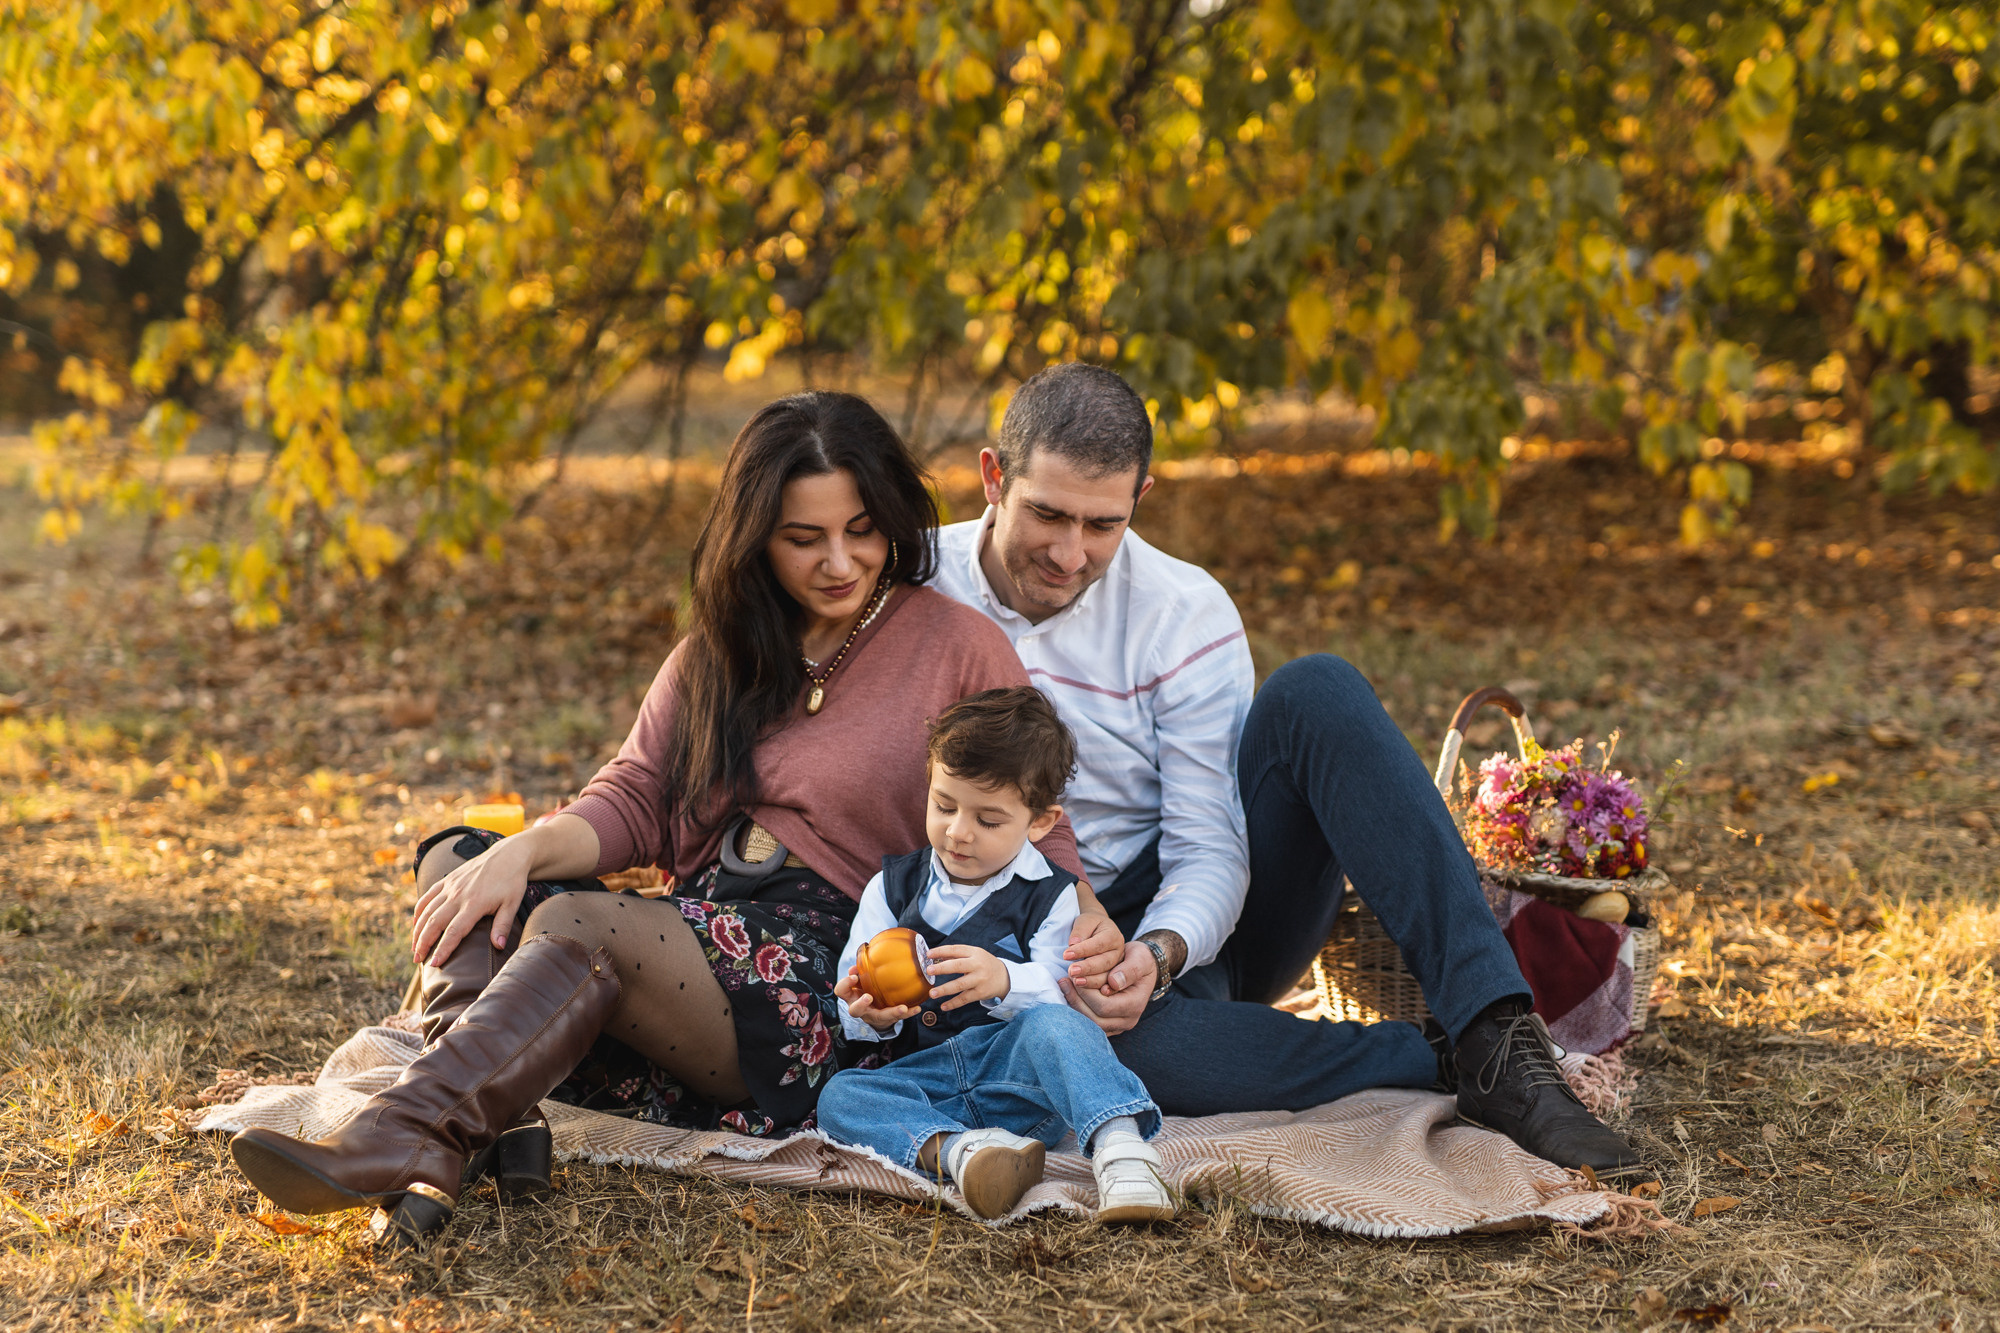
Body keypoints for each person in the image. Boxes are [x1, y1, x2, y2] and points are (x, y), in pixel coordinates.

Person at [228, 391, 1124, 1243]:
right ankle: (494, 1132)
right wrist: (523, 850)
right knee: (461, 858)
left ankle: (411, 1129)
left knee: (576, 920)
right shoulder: (718, 653)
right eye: (803, 538)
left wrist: (1092, 926)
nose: (841, 562)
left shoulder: (955, 645)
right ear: (756, 538)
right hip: (694, 938)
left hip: (815, 973)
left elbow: (1038, 828)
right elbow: (631, 799)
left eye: (862, 531)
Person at [927, 362, 1648, 1182]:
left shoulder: (1182, 611)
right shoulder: (915, 582)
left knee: (1317, 690)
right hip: (1004, 928)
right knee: (1087, 1051)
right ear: (993, 476)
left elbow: (1208, 846)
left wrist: (1157, 954)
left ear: (1143, 498)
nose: (1068, 553)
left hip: (1176, 919)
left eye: (1102, 525)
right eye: (1046, 514)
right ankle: (1432, 1058)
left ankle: (1498, 1037)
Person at [817, 687, 1174, 1223]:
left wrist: (1006, 979)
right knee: (842, 1097)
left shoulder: (1052, 896)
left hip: (1017, 1083)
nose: (958, 833)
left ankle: (1122, 1152)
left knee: (1058, 1027)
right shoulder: (891, 889)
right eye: (944, 806)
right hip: (928, 1080)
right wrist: (870, 1011)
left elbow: (1065, 991)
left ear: (1039, 823)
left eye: (988, 821)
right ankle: (967, 1155)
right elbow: (854, 991)